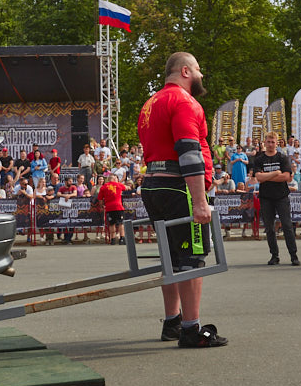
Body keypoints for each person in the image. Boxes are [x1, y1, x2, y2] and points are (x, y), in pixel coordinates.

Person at [137, 51, 227, 348]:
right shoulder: (186, 102)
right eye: (199, 70)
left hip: (152, 184)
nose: (202, 76)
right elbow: (189, 152)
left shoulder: (150, 103)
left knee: (171, 259)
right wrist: (200, 201)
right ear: (186, 71)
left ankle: (172, 322)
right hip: (178, 187)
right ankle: (191, 330)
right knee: (192, 260)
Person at [251, 131, 299, 266]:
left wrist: (267, 176)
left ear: (277, 143)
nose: (271, 144)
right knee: (269, 228)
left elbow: (286, 177)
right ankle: (274, 255)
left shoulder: (282, 158)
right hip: (266, 197)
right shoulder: (260, 159)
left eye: (273, 142)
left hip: (281, 196)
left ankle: (293, 255)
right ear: (265, 143)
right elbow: (258, 178)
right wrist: (275, 173)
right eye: (268, 142)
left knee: (287, 225)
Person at [96, 173, 127, 245]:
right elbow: (126, 188)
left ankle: (112, 239)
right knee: (120, 223)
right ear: (114, 179)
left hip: (109, 208)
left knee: (111, 224)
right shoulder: (119, 185)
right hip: (118, 206)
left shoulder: (103, 187)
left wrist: (101, 206)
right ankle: (122, 238)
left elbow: (100, 199)